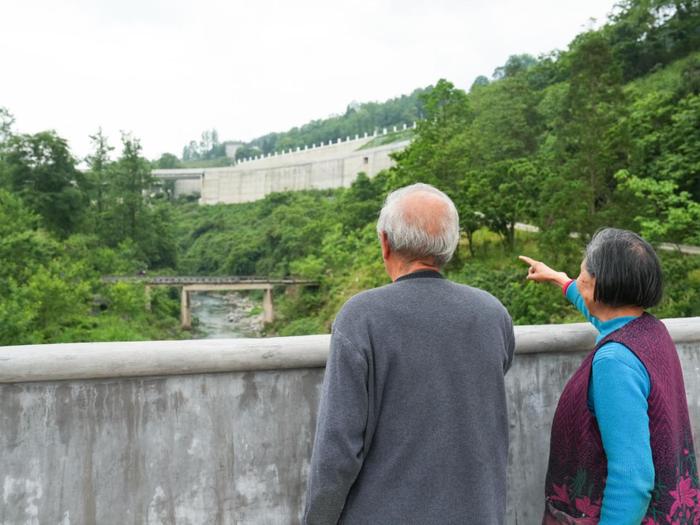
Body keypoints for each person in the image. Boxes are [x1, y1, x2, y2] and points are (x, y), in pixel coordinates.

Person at [303, 183, 515, 524]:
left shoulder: (362, 317)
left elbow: (338, 450)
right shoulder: (491, 313)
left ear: (385, 242)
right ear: (450, 246)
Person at [519, 228, 698, 524]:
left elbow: (633, 481)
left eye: (581, 274)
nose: (578, 279)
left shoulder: (614, 362)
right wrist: (559, 279)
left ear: (598, 285)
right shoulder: (651, 330)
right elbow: (602, 316)